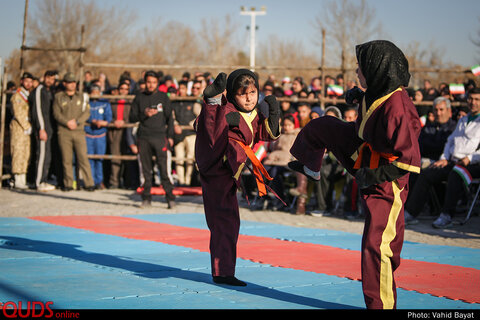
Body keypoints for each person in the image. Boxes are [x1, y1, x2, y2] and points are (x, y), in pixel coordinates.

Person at [289, 40, 421, 309]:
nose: (357, 71)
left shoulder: (399, 107)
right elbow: (371, 112)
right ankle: (312, 168)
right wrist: (359, 97)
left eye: (361, 67)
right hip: (363, 150)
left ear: (376, 69)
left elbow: (409, 163)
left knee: (377, 245)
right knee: (324, 125)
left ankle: (381, 306)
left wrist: (371, 177)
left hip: (387, 179)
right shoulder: (376, 90)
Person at [194, 70, 280, 286]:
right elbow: (204, 128)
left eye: (253, 92)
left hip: (230, 171)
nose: (249, 98)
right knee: (225, 220)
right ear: (232, 95)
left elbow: (263, 134)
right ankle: (223, 273)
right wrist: (214, 105)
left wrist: (274, 115)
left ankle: (223, 270)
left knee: (228, 221)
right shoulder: (229, 110)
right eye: (243, 94)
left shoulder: (252, 113)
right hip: (216, 165)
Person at [404, 88, 480, 229]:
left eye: (477, 99)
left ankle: (447, 216)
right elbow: (450, 140)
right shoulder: (463, 119)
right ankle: (410, 213)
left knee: (455, 174)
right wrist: (444, 157)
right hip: (453, 161)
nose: (473, 102)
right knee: (427, 174)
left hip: (472, 164)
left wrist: (470, 158)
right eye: (471, 99)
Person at [129, 70, 175, 208]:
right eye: (148, 82)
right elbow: (132, 117)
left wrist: (170, 136)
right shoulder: (139, 97)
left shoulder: (163, 97)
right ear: (145, 82)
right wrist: (144, 113)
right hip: (144, 137)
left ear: (157, 83)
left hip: (160, 136)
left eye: (153, 82)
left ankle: (170, 198)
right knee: (146, 170)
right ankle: (146, 198)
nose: (150, 85)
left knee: (164, 169)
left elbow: (170, 119)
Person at [53, 72, 95, 191]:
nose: (72, 85)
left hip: (78, 131)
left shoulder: (82, 96)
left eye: (74, 82)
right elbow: (56, 113)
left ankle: (89, 183)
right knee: (67, 159)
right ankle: (68, 183)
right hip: (64, 131)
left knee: (83, 158)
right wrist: (67, 122)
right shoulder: (59, 97)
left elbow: (86, 112)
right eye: (69, 82)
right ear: (64, 83)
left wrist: (77, 122)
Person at [30, 70, 57, 192]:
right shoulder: (39, 90)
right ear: (44, 77)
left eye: (52, 79)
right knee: (41, 156)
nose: (50, 81)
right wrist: (41, 128)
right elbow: (38, 111)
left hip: (49, 129)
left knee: (47, 156)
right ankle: (39, 181)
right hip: (43, 129)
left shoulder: (49, 91)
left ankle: (44, 179)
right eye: (48, 78)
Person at [172, 81, 200, 186]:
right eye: (180, 88)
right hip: (178, 135)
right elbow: (172, 116)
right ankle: (181, 181)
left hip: (191, 134)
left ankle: (187, 182)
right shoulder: (174, 103)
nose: (181, 90)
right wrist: (175, 125)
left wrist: (191, 124)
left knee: (190, 158)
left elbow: (200, 115)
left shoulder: (192, 101)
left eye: (183, 88)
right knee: (179, 158)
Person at [10, 72, 34, 189]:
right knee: (18, 153)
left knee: (26, 153)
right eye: (26, 81)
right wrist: (26, 126)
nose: (28, 84)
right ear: (22, 82)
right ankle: (17, 179)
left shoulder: (28, 95)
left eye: (30, 81)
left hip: (27, 128)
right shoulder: (17, 96)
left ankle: (23, 179)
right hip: (19, 128)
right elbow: (18, 113)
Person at [85, 85, 112, 189]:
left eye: (97, 91)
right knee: (90, 159)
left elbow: (109, 117)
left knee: (99, 159)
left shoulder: (105, 103)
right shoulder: (87, 103)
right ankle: (90, 181)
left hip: (100, 135)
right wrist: (92, 121)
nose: (95, 93)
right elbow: (83, 115)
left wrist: (104, 122)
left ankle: (99, 181)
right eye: (93, 91)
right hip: (88, 134)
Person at [418, 96, 457, 168]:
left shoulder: (455, 128)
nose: (438, 113)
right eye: (436, 110)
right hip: (424, 160)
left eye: (441, 110)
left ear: (449, 111)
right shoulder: (428, 127)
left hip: (442, 164)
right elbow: (420, 145)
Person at [108, 81, 131, 188]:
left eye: (126, 89)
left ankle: (128, 182)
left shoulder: (131, 101)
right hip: (115, 130)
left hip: (128, 131)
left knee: (128, 157)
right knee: (115, 157)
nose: (124, 91)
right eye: (122, 88)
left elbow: (133, 116)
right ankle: (114, 181)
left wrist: (125, 122)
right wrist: (114, 122)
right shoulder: (112, 101)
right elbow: (108, 115)